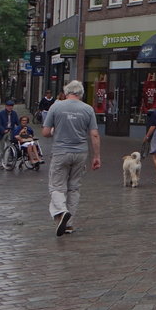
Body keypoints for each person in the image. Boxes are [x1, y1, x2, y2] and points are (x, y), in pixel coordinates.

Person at [42, 80, 101, 237]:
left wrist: (55, 129)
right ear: (81, 94)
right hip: (80, 153)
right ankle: (68, 224)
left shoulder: (56, 106)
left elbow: (46, 132)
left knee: (56, 186)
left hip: (61, 152)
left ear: (66, 92)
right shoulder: (88, 109)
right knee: (74, 188)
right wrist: (96, 156)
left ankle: (61, 212)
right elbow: (94, 134)